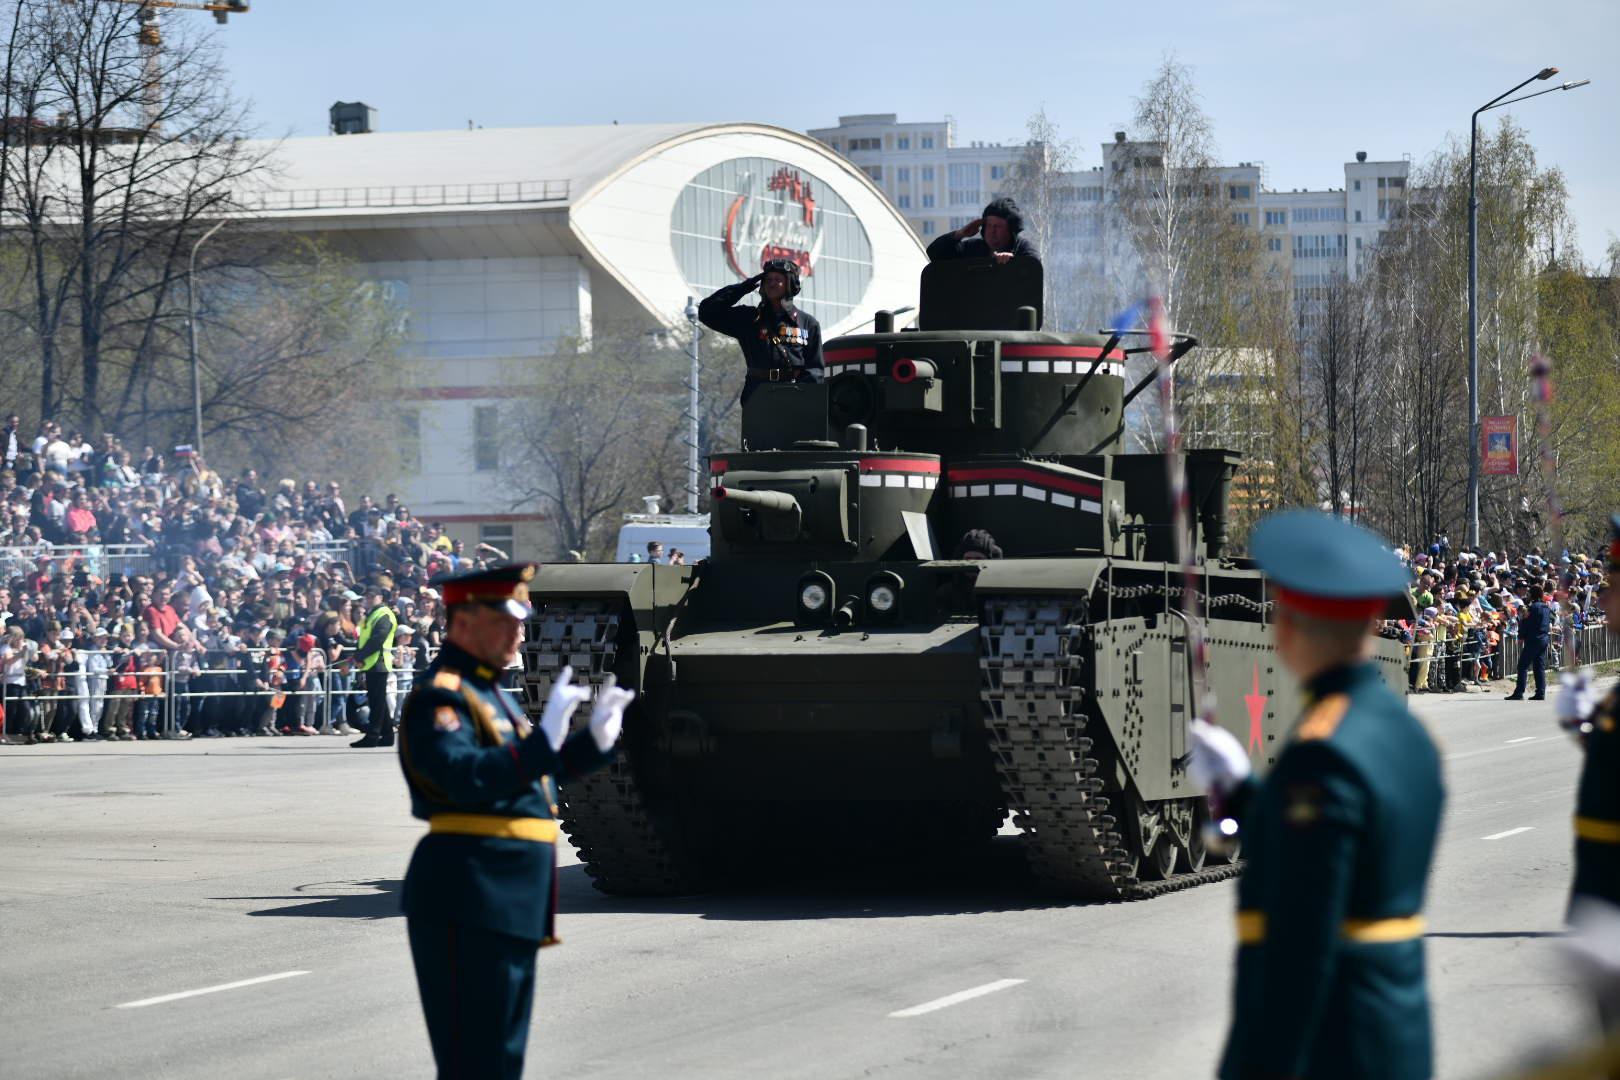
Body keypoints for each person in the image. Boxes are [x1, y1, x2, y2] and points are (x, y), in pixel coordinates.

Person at [1190, 509, 1445, 1080]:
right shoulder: (1405, 734)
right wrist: (1246, 796)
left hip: (1332, 1043)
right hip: (1391, 1031)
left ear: (1289, 624)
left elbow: (1300, 949)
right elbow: (1348, 851)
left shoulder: (1322, 754)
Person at [396, 563, 633, 1079]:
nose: (519, 631)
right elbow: (461, 778)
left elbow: (529, 782)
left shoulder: (495, 696)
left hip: (509, 895)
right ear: (463, 624)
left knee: (502, 1054)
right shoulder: (441, 696)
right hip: (470, 887)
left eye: (520, 619)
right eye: (506, 619)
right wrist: (539, 745)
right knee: (474, 1057)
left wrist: (590, 744)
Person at [698, 257, 824, 404]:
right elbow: (707, 312)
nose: (772, 283)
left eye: (778, 279)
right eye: (768, 279)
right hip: (758, 395)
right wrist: (744, 287)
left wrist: (801, 396)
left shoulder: (808, 324)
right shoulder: (749, 319)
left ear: (790, 284)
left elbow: (815, 370)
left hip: (795, 397)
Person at [925, 195, 1041, 267]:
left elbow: (1033, 266)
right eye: (989, 225)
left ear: (1010, 230)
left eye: (998, 226)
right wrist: (960, 234)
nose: (992, 231)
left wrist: (1013, 261)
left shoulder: (1022, 248)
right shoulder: (972, 248)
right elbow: (934, 253)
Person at [348, 583, 399, 748]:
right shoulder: (371, 615)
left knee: (376, 702)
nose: (369, 599)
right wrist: (358, 655)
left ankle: (373, 735)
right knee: (378, 700)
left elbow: (378, 639)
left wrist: (360, 655)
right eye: (367, 597)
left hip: (379, 662)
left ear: (380, 598)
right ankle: (388, 735)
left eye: (372, 596)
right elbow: (363, 637)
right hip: (371, 662)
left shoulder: (384, 614)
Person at [1508, 582, 1554, 700]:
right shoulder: (1546, 607)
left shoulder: (1533, 608)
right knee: (1539, 666)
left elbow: (1527, 623)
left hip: (1534, 639)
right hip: (1544, 638)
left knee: (1522, 665)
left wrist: (1521, 635)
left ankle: (1519, 692)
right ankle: (1541, 692)